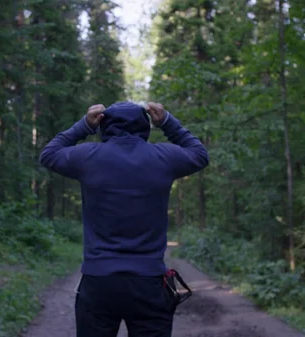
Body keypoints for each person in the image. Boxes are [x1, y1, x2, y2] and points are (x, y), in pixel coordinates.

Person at [39, 101, 209, 337]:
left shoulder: (88, 157)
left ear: (104, 125)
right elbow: (200, 155)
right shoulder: (163, 157)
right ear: (144, 125)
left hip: (99, 282)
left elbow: (48, 154)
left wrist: (84, 126)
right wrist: (168, 122)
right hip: (149, 282)